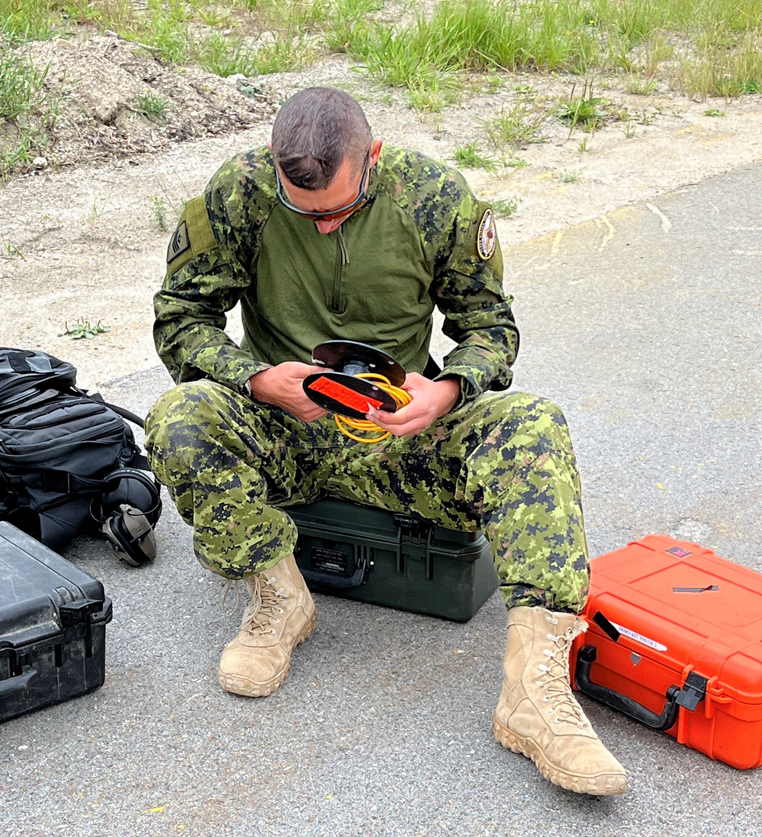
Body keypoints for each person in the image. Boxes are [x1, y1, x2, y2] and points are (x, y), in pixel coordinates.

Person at [144, 87, 627, 796]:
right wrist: (254, 380)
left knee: (533, 424)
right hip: (285, 427)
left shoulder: (435, 197)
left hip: (398, 436)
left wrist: (449, 390)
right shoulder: (239, 193)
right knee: (181, 415)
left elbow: (491, 328)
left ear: (371, 158)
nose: (321, 227)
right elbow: (181, 318)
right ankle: (280, 601)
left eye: (337, 210)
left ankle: (535, 693)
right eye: (300, 211)